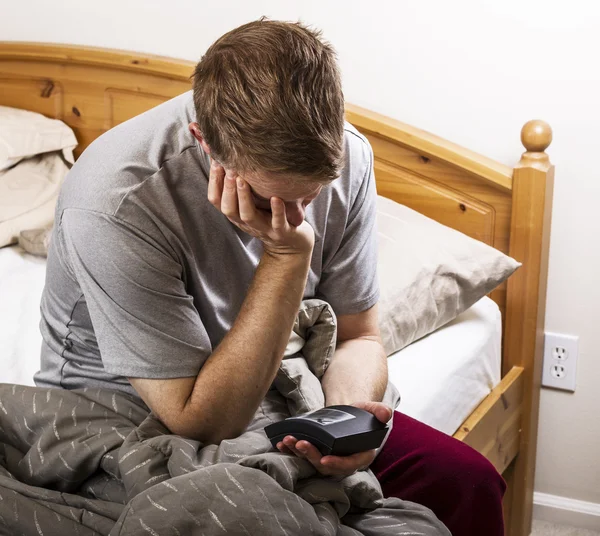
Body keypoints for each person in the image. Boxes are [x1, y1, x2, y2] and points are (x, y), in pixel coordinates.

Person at [34, 18, 506, 535]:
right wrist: (286, 258)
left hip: (274, 386)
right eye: (269, 199)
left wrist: (345, 427)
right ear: (205, 144)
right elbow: (202, 420)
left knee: (469, 481)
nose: (299, 215)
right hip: (128, 409)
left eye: (314, 195)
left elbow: (359, 334)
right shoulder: (115, 202)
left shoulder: (351, 155)